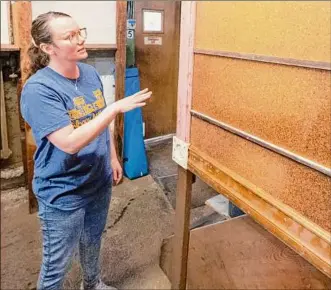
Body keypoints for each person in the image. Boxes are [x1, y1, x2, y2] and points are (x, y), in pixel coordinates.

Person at [20, 11, 151, 290]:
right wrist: (115, 108)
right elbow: (69, 142)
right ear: (47, 48)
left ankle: (92, 285)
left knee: (92, 241)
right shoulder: (39, 89)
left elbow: (100, 122)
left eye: (80, 32)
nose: (80, 40)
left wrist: (113, 158)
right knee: (57, 263)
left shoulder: (89, 73)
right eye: (70, 36)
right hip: (63, 190)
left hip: (97, 181)